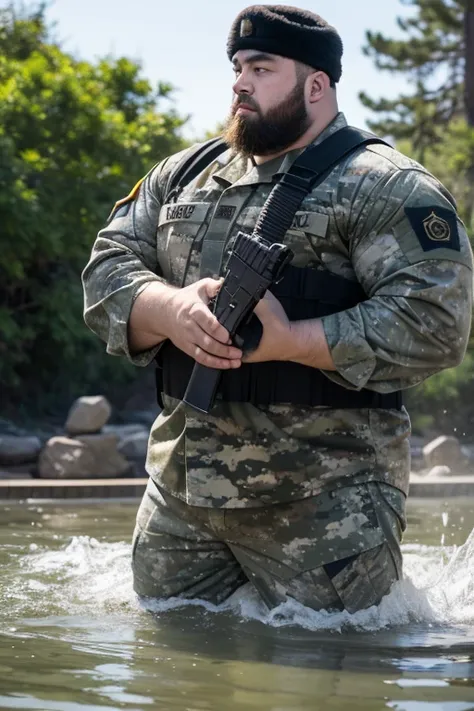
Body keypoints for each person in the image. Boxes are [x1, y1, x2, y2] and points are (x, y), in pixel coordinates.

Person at [82, 5, 473, 614]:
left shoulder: (386, 185)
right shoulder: (183, 175)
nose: (239, 82)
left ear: (315, 84)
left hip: (324, 511)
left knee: (335, 687)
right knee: (171, 683)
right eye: (238, 67)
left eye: (261, 68)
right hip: (180, 507)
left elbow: (438, 322)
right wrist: (170, 307)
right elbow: (107, 268)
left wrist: (296, 339)